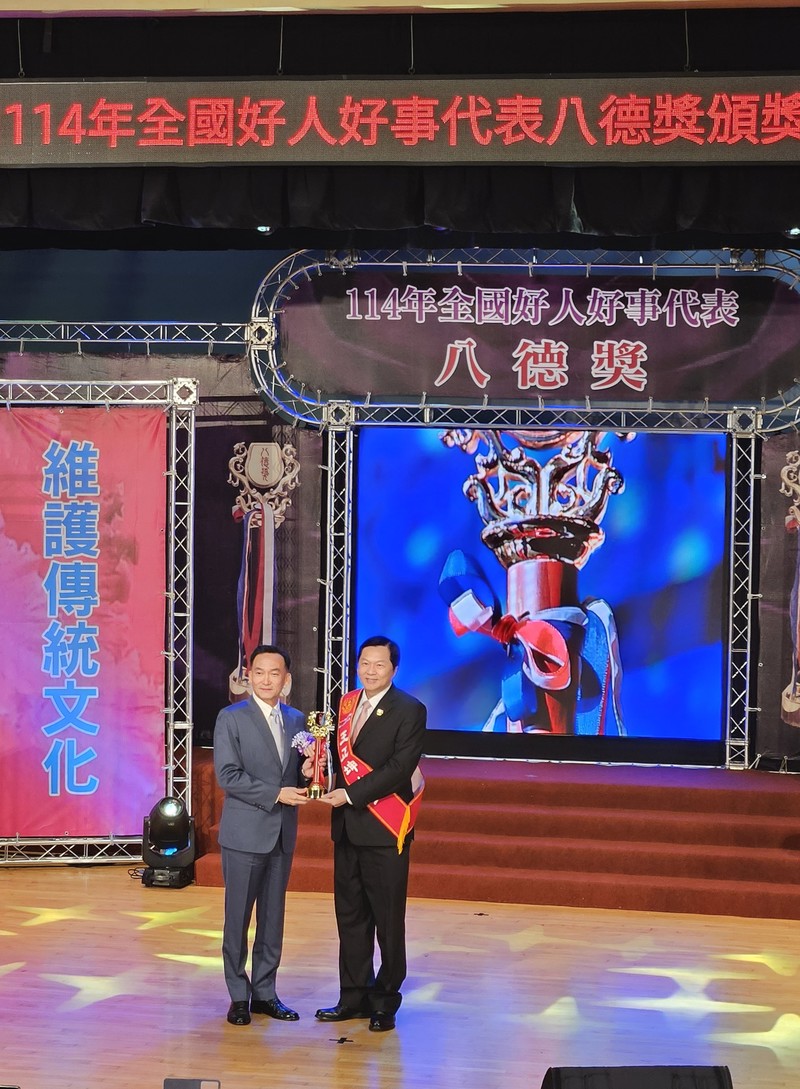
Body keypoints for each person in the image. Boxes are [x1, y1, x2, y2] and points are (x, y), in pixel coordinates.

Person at [316, 635, 427, 1033]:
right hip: (347, 830)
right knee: (350, 918)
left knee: (387, 921)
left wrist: (351, 794)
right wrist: (316, 770)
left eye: (379, 664)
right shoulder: (345, 705)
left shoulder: (410, 709)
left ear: (394, 669)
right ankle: (353, 998)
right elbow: (335, 760)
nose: (370, 671)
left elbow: (399, 768)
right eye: (365, 663)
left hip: (384, 829)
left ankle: (384, 1002)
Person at [213, 643, 313, 1026]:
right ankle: (239, 995)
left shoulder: (298, 719)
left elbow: (299, 772)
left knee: (273, 919)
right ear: (248, 676)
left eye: (274, 673)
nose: (266, 680)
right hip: (244, 834)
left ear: (286, 679)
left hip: (282, 833)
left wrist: (308, 774)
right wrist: (276, 794)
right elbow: (228, 776)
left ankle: (266, 993)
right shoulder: (231, 718)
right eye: (259, 672)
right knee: (237, 918)